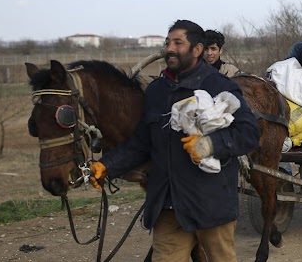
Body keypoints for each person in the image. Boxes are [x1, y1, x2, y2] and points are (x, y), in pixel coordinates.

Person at [88, 20, 260, 262]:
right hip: (169, 205)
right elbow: (141, 143)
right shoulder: (157, 91)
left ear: (197, 49)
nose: (170, 48)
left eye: (178, 43)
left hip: (211, 204)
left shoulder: (218, 85)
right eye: (168, 42)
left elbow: (249, 133)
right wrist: (107, 165)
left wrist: (210, 145)